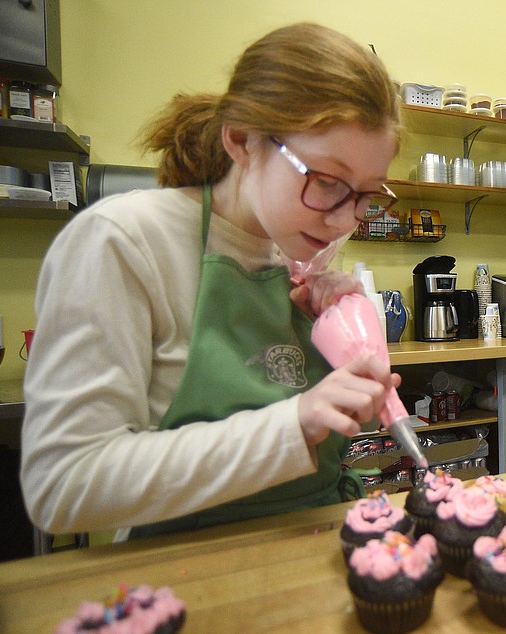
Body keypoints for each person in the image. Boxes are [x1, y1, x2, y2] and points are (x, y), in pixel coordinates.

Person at [21, 23, 403, 539]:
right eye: (328, 183)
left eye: (364, 195)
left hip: (318, 552)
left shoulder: (306, 243)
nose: (343, 222)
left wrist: (340, 327)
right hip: (184, 573)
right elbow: (62, 485)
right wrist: (291, 426)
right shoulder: (124, 241)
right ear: (242, 139)